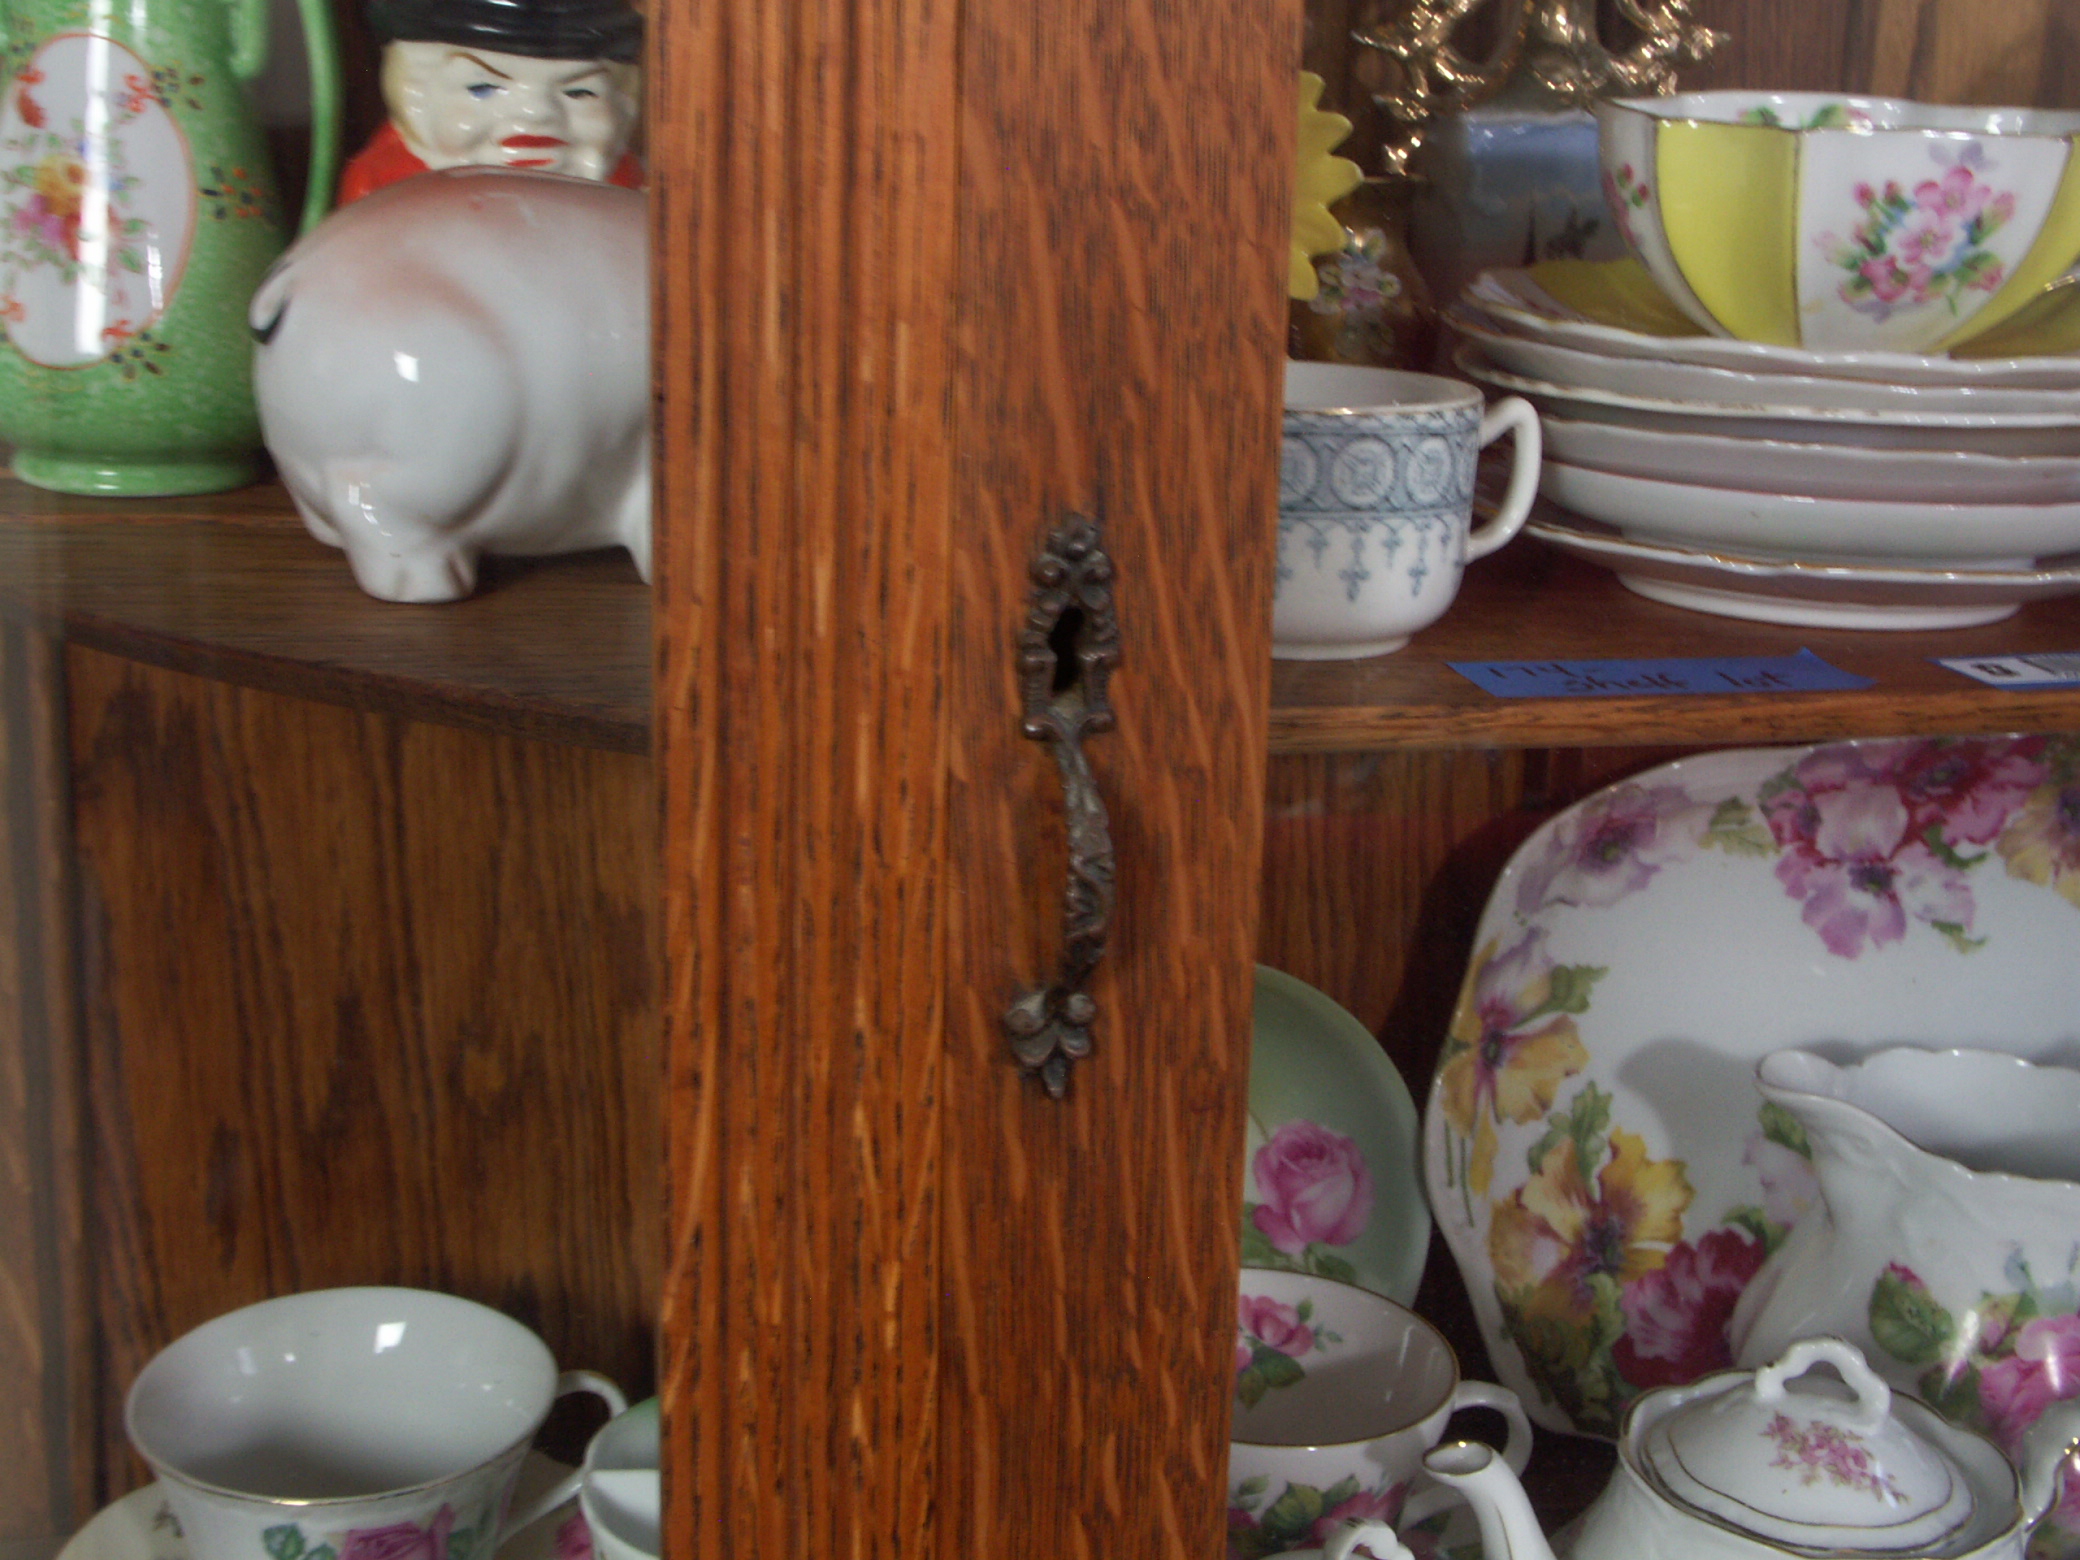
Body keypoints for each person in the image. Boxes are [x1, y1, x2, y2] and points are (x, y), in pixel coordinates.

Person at [339, 0, 642, 204]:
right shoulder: (389, 193)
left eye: (579, 92)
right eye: (482, 87)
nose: (536, 113)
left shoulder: (625, 193)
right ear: (416, 96)